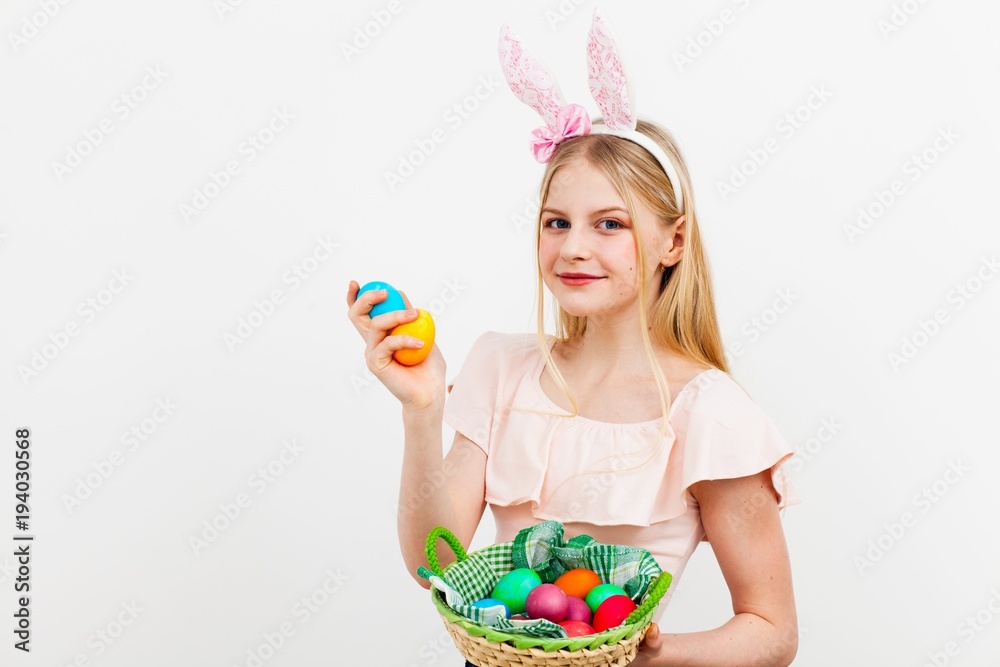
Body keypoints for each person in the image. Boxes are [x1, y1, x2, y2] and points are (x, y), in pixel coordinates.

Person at [346, 11, 798, 666]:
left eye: (609, 224)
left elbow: (772, 631)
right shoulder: (502, 368)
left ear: (673, 240)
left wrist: (646, 653)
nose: (573, 248)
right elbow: (433, 565)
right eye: (556, 222)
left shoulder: (710, 416)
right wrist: (423, 409)